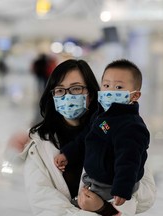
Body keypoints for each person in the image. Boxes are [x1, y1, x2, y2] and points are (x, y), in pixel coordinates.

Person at [20, 59, 156, 215]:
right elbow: (45, 206)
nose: (67, 96)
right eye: (59, 90)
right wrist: (102, 211)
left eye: (76, 89)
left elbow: (146, 194)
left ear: (91, 94)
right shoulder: (39, 146)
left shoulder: (121, 128)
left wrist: (105, 206)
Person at [54, 59, 149, 213]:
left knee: (89, 207)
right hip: (96, 177)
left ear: (135, 95)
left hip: (111, 185)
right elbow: (86, 136)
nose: (110, 91)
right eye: (106, 85)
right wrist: (68, 153)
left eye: (118, 87)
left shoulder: (131, 126)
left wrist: (122, 188)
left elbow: (129, 160)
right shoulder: (102, 114)